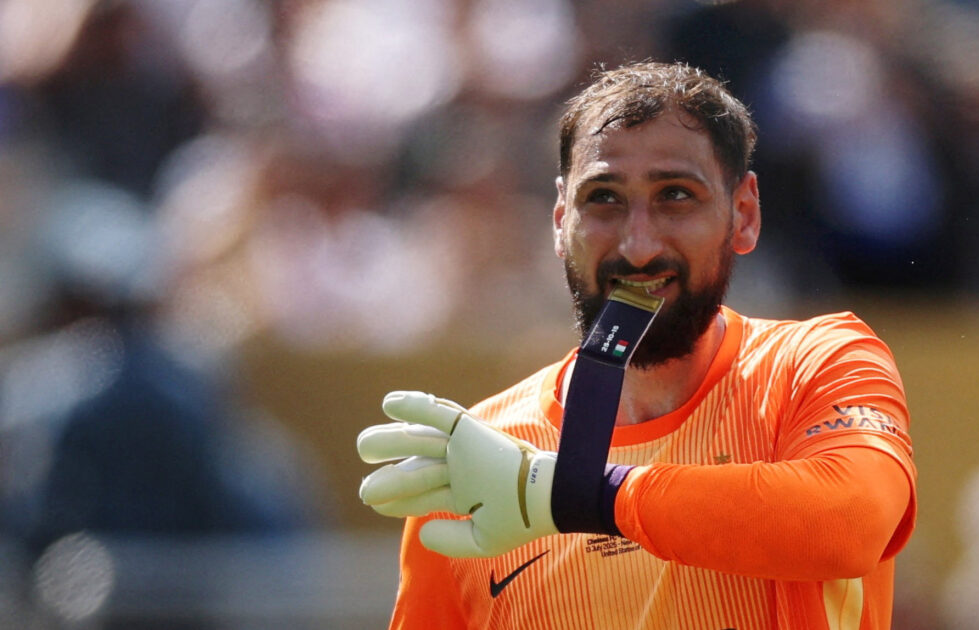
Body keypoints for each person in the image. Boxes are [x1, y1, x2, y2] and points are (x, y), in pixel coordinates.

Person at [356, 61, 917, 630]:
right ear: (560, 219)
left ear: (743, 214)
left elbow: (852, 522)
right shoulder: (476, 465)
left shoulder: (818, 364)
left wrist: (581, 496)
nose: (639, 246)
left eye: (675, 195)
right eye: (604, 198)